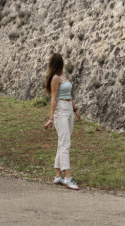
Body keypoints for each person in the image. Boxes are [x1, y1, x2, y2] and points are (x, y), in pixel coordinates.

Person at [43, 52, 81, 190]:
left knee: (62, 142)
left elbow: (68, 95)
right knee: (65, 143)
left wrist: (75, 110)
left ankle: (58, 175)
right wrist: (51, 118)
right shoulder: (55, 78)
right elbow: (53, 99)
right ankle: (68, 177)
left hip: (68, 109)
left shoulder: (64, 76)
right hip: (60, 110)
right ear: (59, 63)